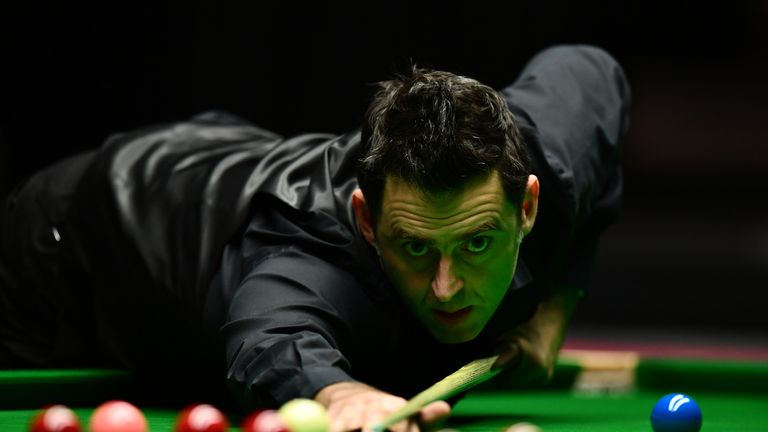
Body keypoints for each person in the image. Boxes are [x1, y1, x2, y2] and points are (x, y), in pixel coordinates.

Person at [0, 44, 630, 431]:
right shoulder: (309, 251)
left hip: (218, 158)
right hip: (72, 243)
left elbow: (594, 71)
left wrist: (555, 308)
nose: (447, 286)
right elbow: (268, 336)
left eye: (475, 243)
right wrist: (341, 392)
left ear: (527, 204)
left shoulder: (550, 150)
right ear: (365, 221)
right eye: (414, 246)